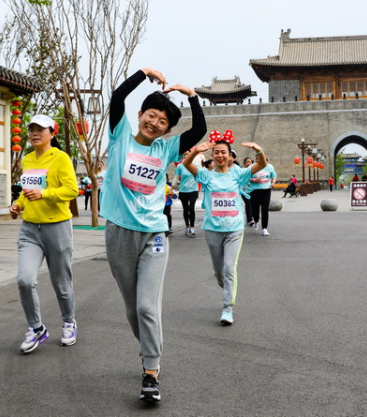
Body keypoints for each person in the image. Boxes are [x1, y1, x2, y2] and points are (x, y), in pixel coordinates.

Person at [100, 67, 206, 402]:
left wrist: (192, 96)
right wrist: (141, 74)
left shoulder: (167, 150)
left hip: (154, 235)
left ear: (168, 129)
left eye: (163, 121)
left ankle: (151, 372)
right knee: (133, 310)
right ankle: (148, 348)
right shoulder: (120, 136)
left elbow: (200, 128)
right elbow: (117, 98)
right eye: (151, 115)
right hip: (119, 233)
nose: (155, 123)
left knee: (147, 306)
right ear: (141, 115)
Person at [9, 115, 80, 353]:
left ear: (52, 133)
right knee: (24, 280)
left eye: (41, 129)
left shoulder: (61, 158)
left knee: (61, 283)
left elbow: (71, 190)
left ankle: (69, 322)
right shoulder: (27, 160)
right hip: (30, 229)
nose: (34, 133)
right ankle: (36, 328)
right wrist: (18, 205)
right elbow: (26, 192)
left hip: (57, 227)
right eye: (31, 129)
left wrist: (45, 194)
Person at [183, 140, 266, 325]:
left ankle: (227, 308)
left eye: (224, 152)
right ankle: (226, 285)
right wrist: (196, 150)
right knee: (219, 272)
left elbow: (261, 164)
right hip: (212, 229)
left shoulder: (239, 175)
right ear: (214, 156)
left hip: (234, 229)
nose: (220, 155)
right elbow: (186, 164)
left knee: (229, 268)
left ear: (229, 156)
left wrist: (258, 150)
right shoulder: (206, 176)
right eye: (217, 152)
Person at [248, 156, 277, 236]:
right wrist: (254, 180)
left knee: (265, 209)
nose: (259, 159)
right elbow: (246, 177)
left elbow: (274, 176)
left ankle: (264, 228)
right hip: (254, 190)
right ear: (256, 159)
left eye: (261, 158)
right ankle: (256, 221)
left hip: (266, 190)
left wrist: (273, 182)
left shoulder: (269, 166)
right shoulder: (251, 167)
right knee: (255, 208)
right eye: (257, 158)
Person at [175, 151, 199, 236]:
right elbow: (176, 178)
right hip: (183, 190)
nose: (186, 156)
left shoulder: (196, 165)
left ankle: (192, 226)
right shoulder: (180, 166)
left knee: (191, 208)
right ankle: (187, 226)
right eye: (184, 154)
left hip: (193, 190)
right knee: (185, 209)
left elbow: (200, 175)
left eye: (188, 154)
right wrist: (172, 188)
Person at [241, 158, 254, 223]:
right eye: (247, 162)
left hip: (253, 190)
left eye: (250, 162)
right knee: (248, 203)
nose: (249, 163)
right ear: (244, 163)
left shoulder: (254, 170)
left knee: (252, 204)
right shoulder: (242, 170)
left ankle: (252, 218)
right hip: (244, 190)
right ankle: (250, 219)